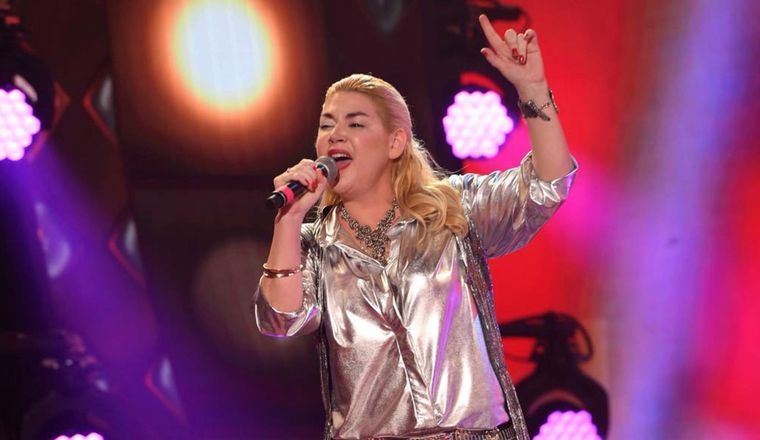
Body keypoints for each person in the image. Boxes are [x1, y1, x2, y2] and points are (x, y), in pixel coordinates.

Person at [253, 14, 576, 440]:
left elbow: (547, 185)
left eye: (355, 123)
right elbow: (280, 320)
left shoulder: (452, 211)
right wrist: (290, 219)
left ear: (395, 143)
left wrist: (532, 89)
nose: (335, 135)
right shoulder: (313, 246)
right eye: (327, 124)